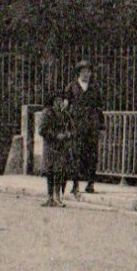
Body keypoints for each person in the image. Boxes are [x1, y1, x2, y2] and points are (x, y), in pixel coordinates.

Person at [64, 59, 104, 196]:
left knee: (92, 155)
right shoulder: (72, 87)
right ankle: (75, 184)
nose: (86, 74)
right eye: (84, 71)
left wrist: (101, 125)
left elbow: (99, 107)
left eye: (88, 72)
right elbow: (65, 106)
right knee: (76, 154)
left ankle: (90, 184)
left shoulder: (95, 88)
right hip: (77, 126)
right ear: (79, 73)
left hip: (92, 126)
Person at [37, 92, 75, 207]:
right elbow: (42, 130)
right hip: (50, 146)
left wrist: (68, 134)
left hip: (62, 147)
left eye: (61, 100)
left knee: (60, 171)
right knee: (50, 171)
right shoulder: (47, 113)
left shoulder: (65, 114)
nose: (59, 103)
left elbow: (73, 129)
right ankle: (50, 197)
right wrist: (55, 135)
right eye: (57, 100)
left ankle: (57, 196)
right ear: (52, 101)